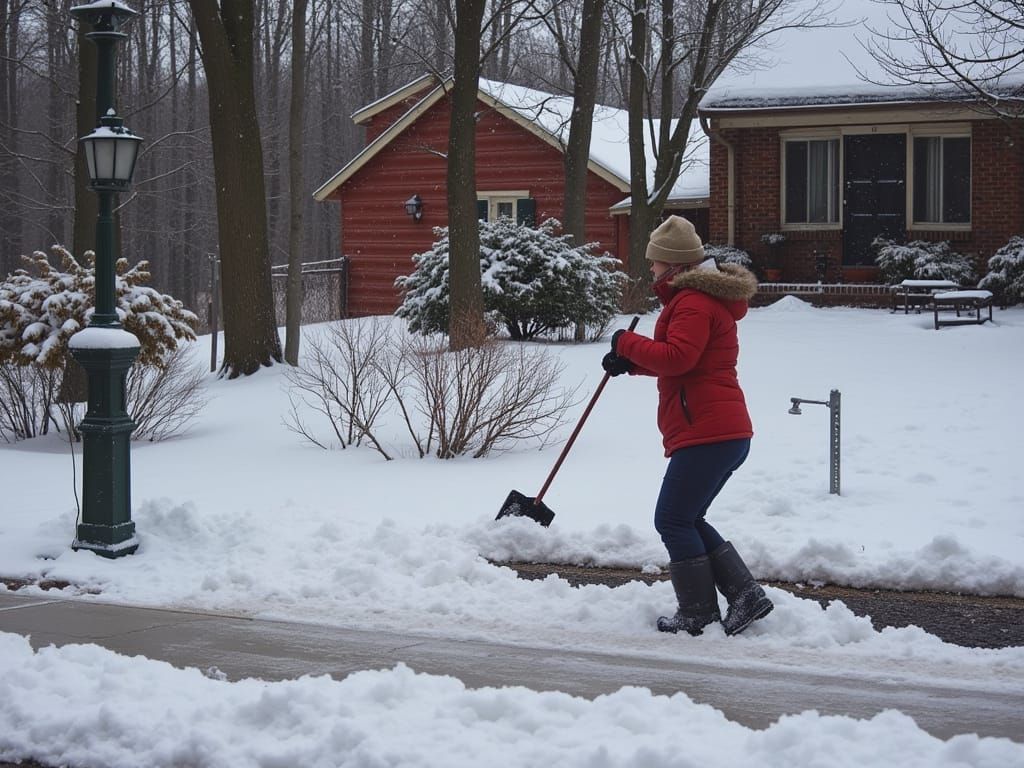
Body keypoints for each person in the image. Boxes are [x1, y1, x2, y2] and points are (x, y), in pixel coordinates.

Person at [602, 215, 772, 637]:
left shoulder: (694, 301)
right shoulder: (697, 299)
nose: (652, 271)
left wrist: (626, 342)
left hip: (708, 432)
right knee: (688, 517)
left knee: (673, 519)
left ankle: (698, 613)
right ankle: (745, 594)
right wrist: (632, 365)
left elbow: (678, 358)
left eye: (656, 263)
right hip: (719, 430)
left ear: (674, 265)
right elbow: (685, 364)